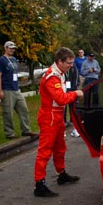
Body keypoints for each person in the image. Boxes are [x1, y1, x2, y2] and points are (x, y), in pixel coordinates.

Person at [33, 47, 84, 197]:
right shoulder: (52, 76)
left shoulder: (60, 73)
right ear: (59, 61)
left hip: (57, 115)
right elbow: (60, 98)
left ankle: (61, 173)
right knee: (44, 151)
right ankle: (39, 184)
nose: (71, 65)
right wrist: (76, 93)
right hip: (49, 116)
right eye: (68, 63)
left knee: (60, 148)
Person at [0, 41, 37, 139]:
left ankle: (26, 130)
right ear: (6, 48)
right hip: (7, 89)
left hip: (16, 89)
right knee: (8, 112)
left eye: (13, 48)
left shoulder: (14, 59)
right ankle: (9, 133)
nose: (12, 50)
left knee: (23, 109)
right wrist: (0, 90)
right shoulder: (2, 60)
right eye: (11, 48)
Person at [63, 65, 80, 137]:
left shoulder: (74, 68)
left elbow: (76, 79)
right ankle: (63, 123)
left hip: (72, 90)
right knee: (63, 108)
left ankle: (74, 126)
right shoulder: (61, 69)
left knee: (72, 108)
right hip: (64, 91)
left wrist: (73, 90)